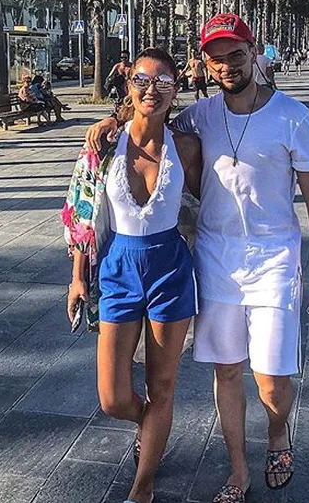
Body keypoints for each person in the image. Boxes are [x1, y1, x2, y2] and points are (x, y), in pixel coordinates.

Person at [86, 14, 309, 501]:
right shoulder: (200, 116)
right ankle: (238, 471)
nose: (227, 66)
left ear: (253, 52)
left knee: (270, 383)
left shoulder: (293, 116)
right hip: (215, 260)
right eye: (216, 59)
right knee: (226, 371)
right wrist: (112, 121)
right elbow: (150, 117)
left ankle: (277, 434)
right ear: (204, 64)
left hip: (274, 260)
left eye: (236, 55)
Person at [62, 48, 202, 503]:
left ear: (176, 89)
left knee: (162, 386)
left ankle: (142, 487)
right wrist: (78, 277)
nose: (151, 89)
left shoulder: (187, 146)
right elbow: (82, 212)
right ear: (129, 84)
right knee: (113, 398)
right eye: (142, 79)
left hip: (170, 271)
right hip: (118, 269)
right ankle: (150, 425)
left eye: (163, 82)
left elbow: (213, 203)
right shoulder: (104, 143)